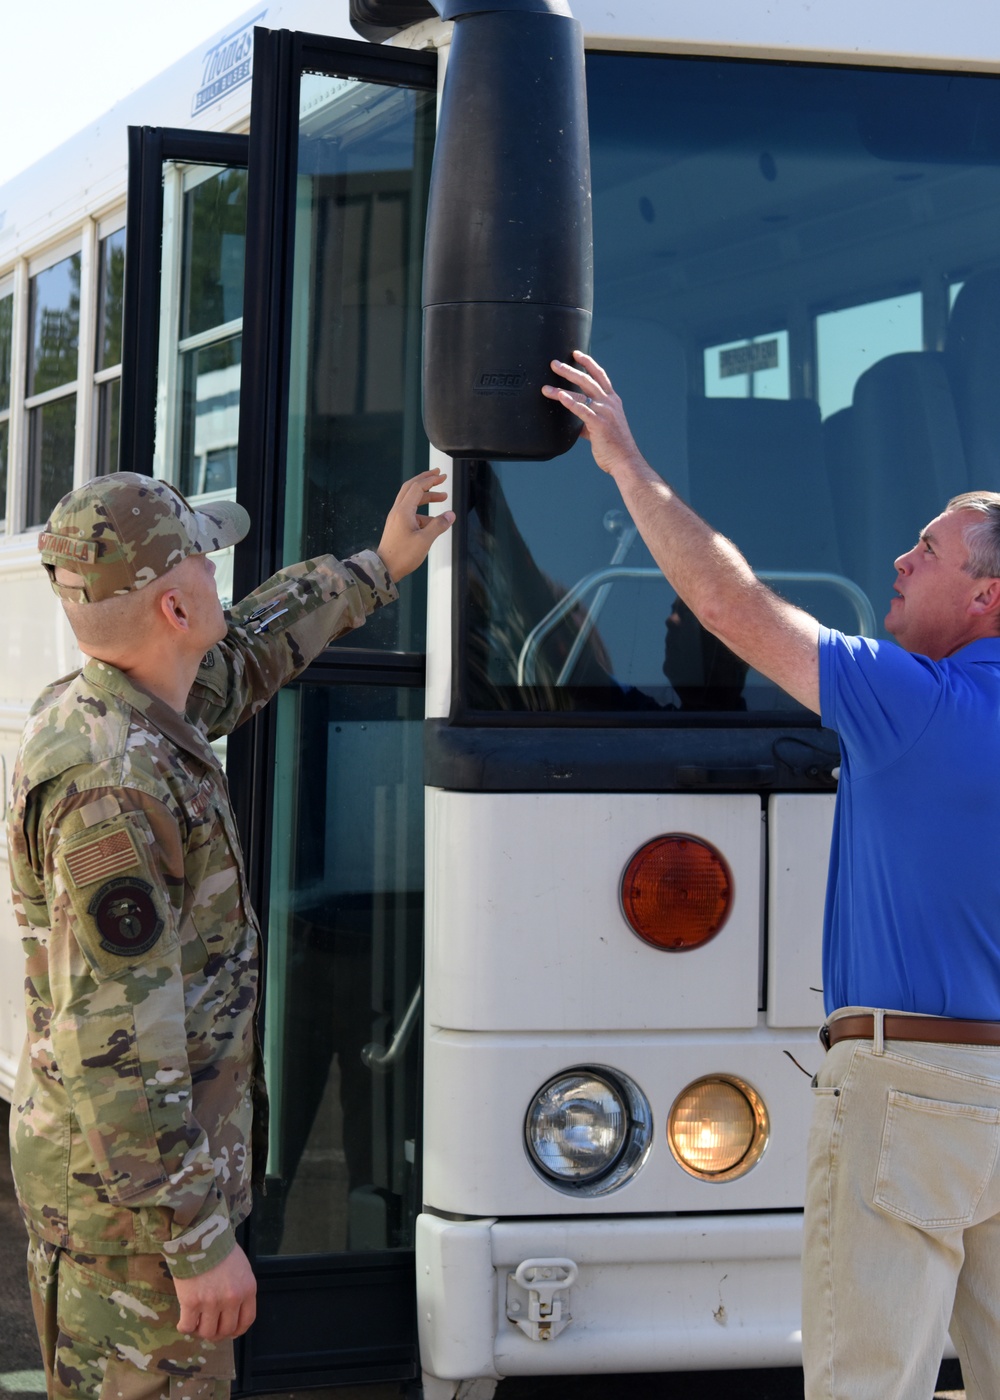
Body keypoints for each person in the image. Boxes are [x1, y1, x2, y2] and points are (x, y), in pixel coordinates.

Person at [544, 351, 1000, 1400]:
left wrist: (624, 464)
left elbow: (726, 601)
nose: (897, 555)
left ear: (984, 593)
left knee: (867, 1384)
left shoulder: (911, 701)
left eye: (924, 549)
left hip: (911, 1090)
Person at [6, 468, 453, 1400]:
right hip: (130, 1228)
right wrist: (196, 1241)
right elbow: (114, 1046)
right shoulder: (109, 787)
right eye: (206, 559)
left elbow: (249, 649)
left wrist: (379, 564)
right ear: (174, 605)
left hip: (136, 1203)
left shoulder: (136, 705)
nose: (219, 572)